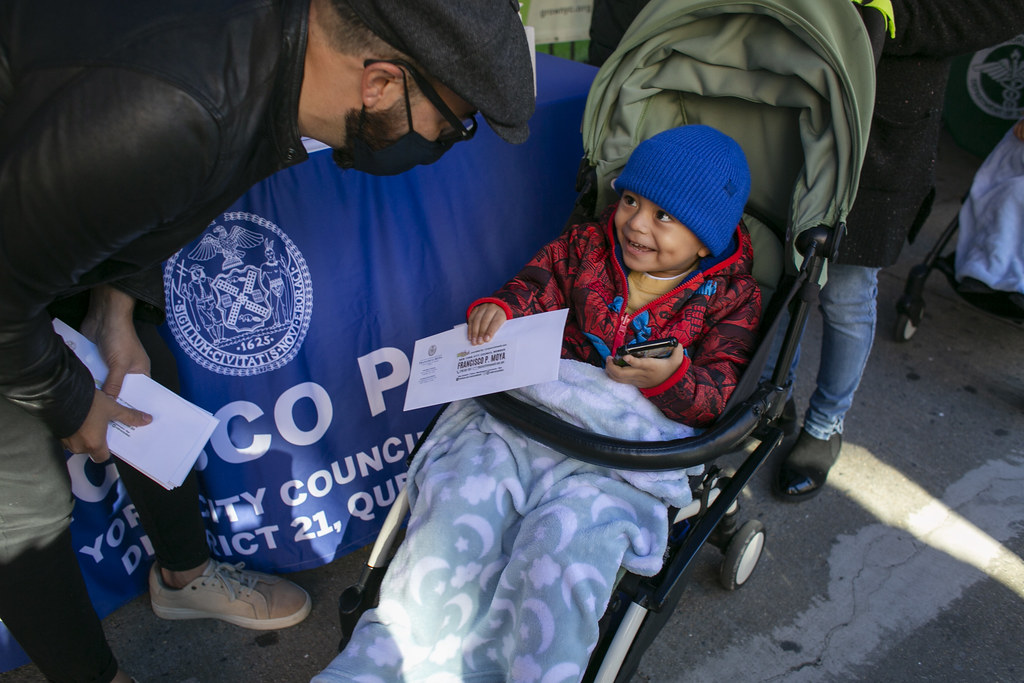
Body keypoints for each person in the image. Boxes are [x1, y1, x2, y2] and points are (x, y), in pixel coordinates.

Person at [0, 0, 535, 681]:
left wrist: (114, 304)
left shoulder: (278, 67)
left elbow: (159, 202)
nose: (441, 139)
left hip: (44, 186)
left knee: (135, 369)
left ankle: (183, 575)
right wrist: (66, 399)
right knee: (19, 500)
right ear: (378, 84)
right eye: (452, 124)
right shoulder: (183, 106)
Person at [314, 125, 760, 681]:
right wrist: (504, 308)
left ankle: (523, 665)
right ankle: (397, 649)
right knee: (459, 501)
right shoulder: (587, 248)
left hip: (619, 457)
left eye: (662, 216)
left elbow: (716, 397)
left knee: (565, 546)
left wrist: (673, 377)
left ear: (705, 240)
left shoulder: (731, 301)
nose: (636, 223)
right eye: (629, 200)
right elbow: (538, 283)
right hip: (533, 415)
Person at [772, 2, 1024, 501]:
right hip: (796, 96)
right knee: (779, 273)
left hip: (885, 125)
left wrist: (895, 16)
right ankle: (775, 400)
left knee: (846, 289)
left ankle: (825, 423)